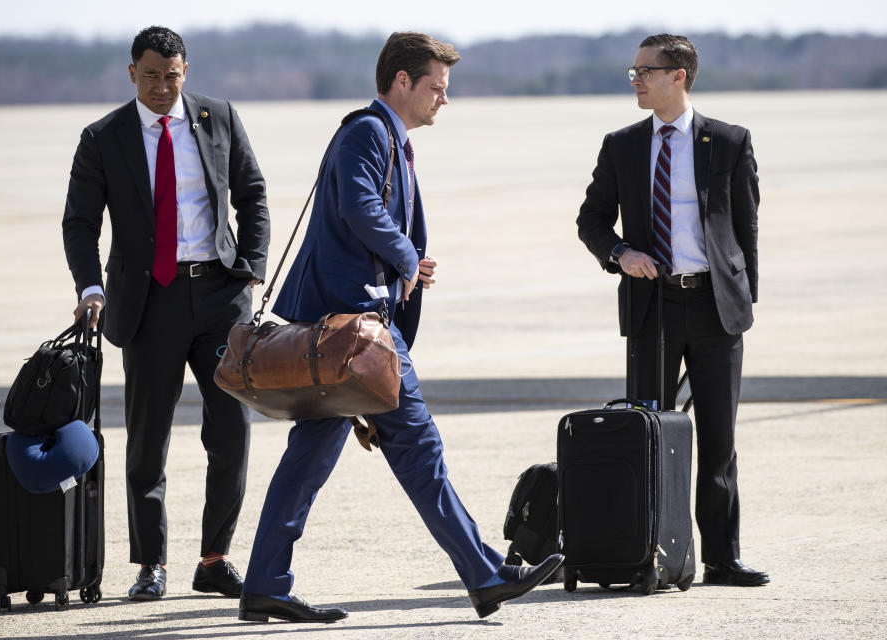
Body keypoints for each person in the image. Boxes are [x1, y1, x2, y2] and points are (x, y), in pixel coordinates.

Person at [237, 32, 563, 624]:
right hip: (355, 334)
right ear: (402, 81)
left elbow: (362, 217)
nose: (444, 99)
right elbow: (359, 207)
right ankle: (485, 574)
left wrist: (405, 259)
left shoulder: (387, 137)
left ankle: (264, 584)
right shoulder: (368, 131)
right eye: (436, 87)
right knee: (419, 450)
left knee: (308, 460)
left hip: (344, 328)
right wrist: (407, 259)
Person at [62, 25, 270, 600]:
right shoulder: (103, 137)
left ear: (186, 71)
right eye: (150, 76)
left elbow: (252, 192)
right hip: (148, 300)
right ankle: (150, 563)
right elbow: (80, 222)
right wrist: (89, 288)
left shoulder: (218, 117)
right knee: (148, 440)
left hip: (221, 296)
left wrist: (252, 263)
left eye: (171, 76)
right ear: (132, 72)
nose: (161, 87)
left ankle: (214, 558)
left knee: (231, 432)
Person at [576, 34, 768, 587]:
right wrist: (621, 253)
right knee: (648, 434)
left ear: (678, 75)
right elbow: (590, 221)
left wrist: (742, 300)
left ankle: (722, 558)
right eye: (633, 70)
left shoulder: (729, 142)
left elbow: (745, 227)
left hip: (714, 307)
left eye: (645, 70)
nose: (635, 78)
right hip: (652, 305)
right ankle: (647, 553)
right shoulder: (621, 144)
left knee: (718, 439)